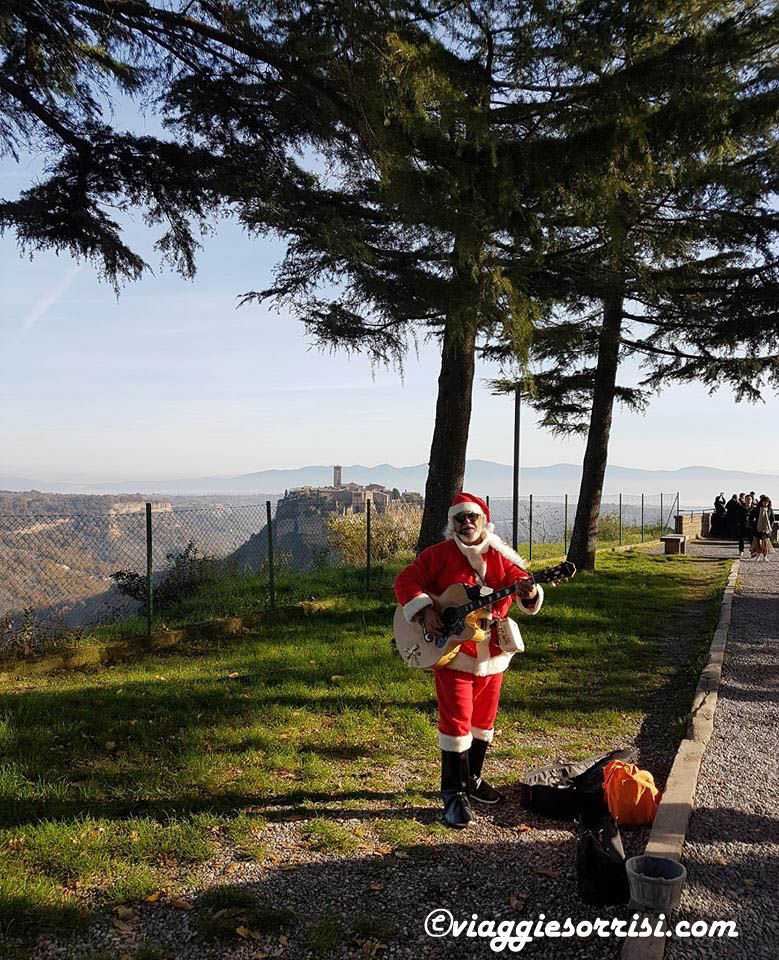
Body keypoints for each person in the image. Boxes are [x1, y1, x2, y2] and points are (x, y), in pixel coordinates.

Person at [394, 492, 544, 829]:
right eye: (459, 518)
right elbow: (405, 581)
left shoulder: (500, 557)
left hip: (493, 653)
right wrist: (426, 610)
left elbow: (522, 585)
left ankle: (473, 778)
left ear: (483, 521)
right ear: (452, 524)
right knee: (456, 721)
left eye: (471, 517)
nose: (466, 523)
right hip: (455, 654)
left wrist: (530, 592)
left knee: (483, 721)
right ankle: (453, 792)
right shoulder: (439, 555)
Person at [749, 495, 775, 561]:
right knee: (758, 542)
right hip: (757, 528)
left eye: (767, 502)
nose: (766, 503)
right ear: (761, 502)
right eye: (764, 501)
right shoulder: (756, 509)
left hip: (766, 529)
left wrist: (770, 526)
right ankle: (758, 556)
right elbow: (750, 518)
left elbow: (772, 519)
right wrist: (753, 525)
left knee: (765, 543)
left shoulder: (769, 509)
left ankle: (765, 557)